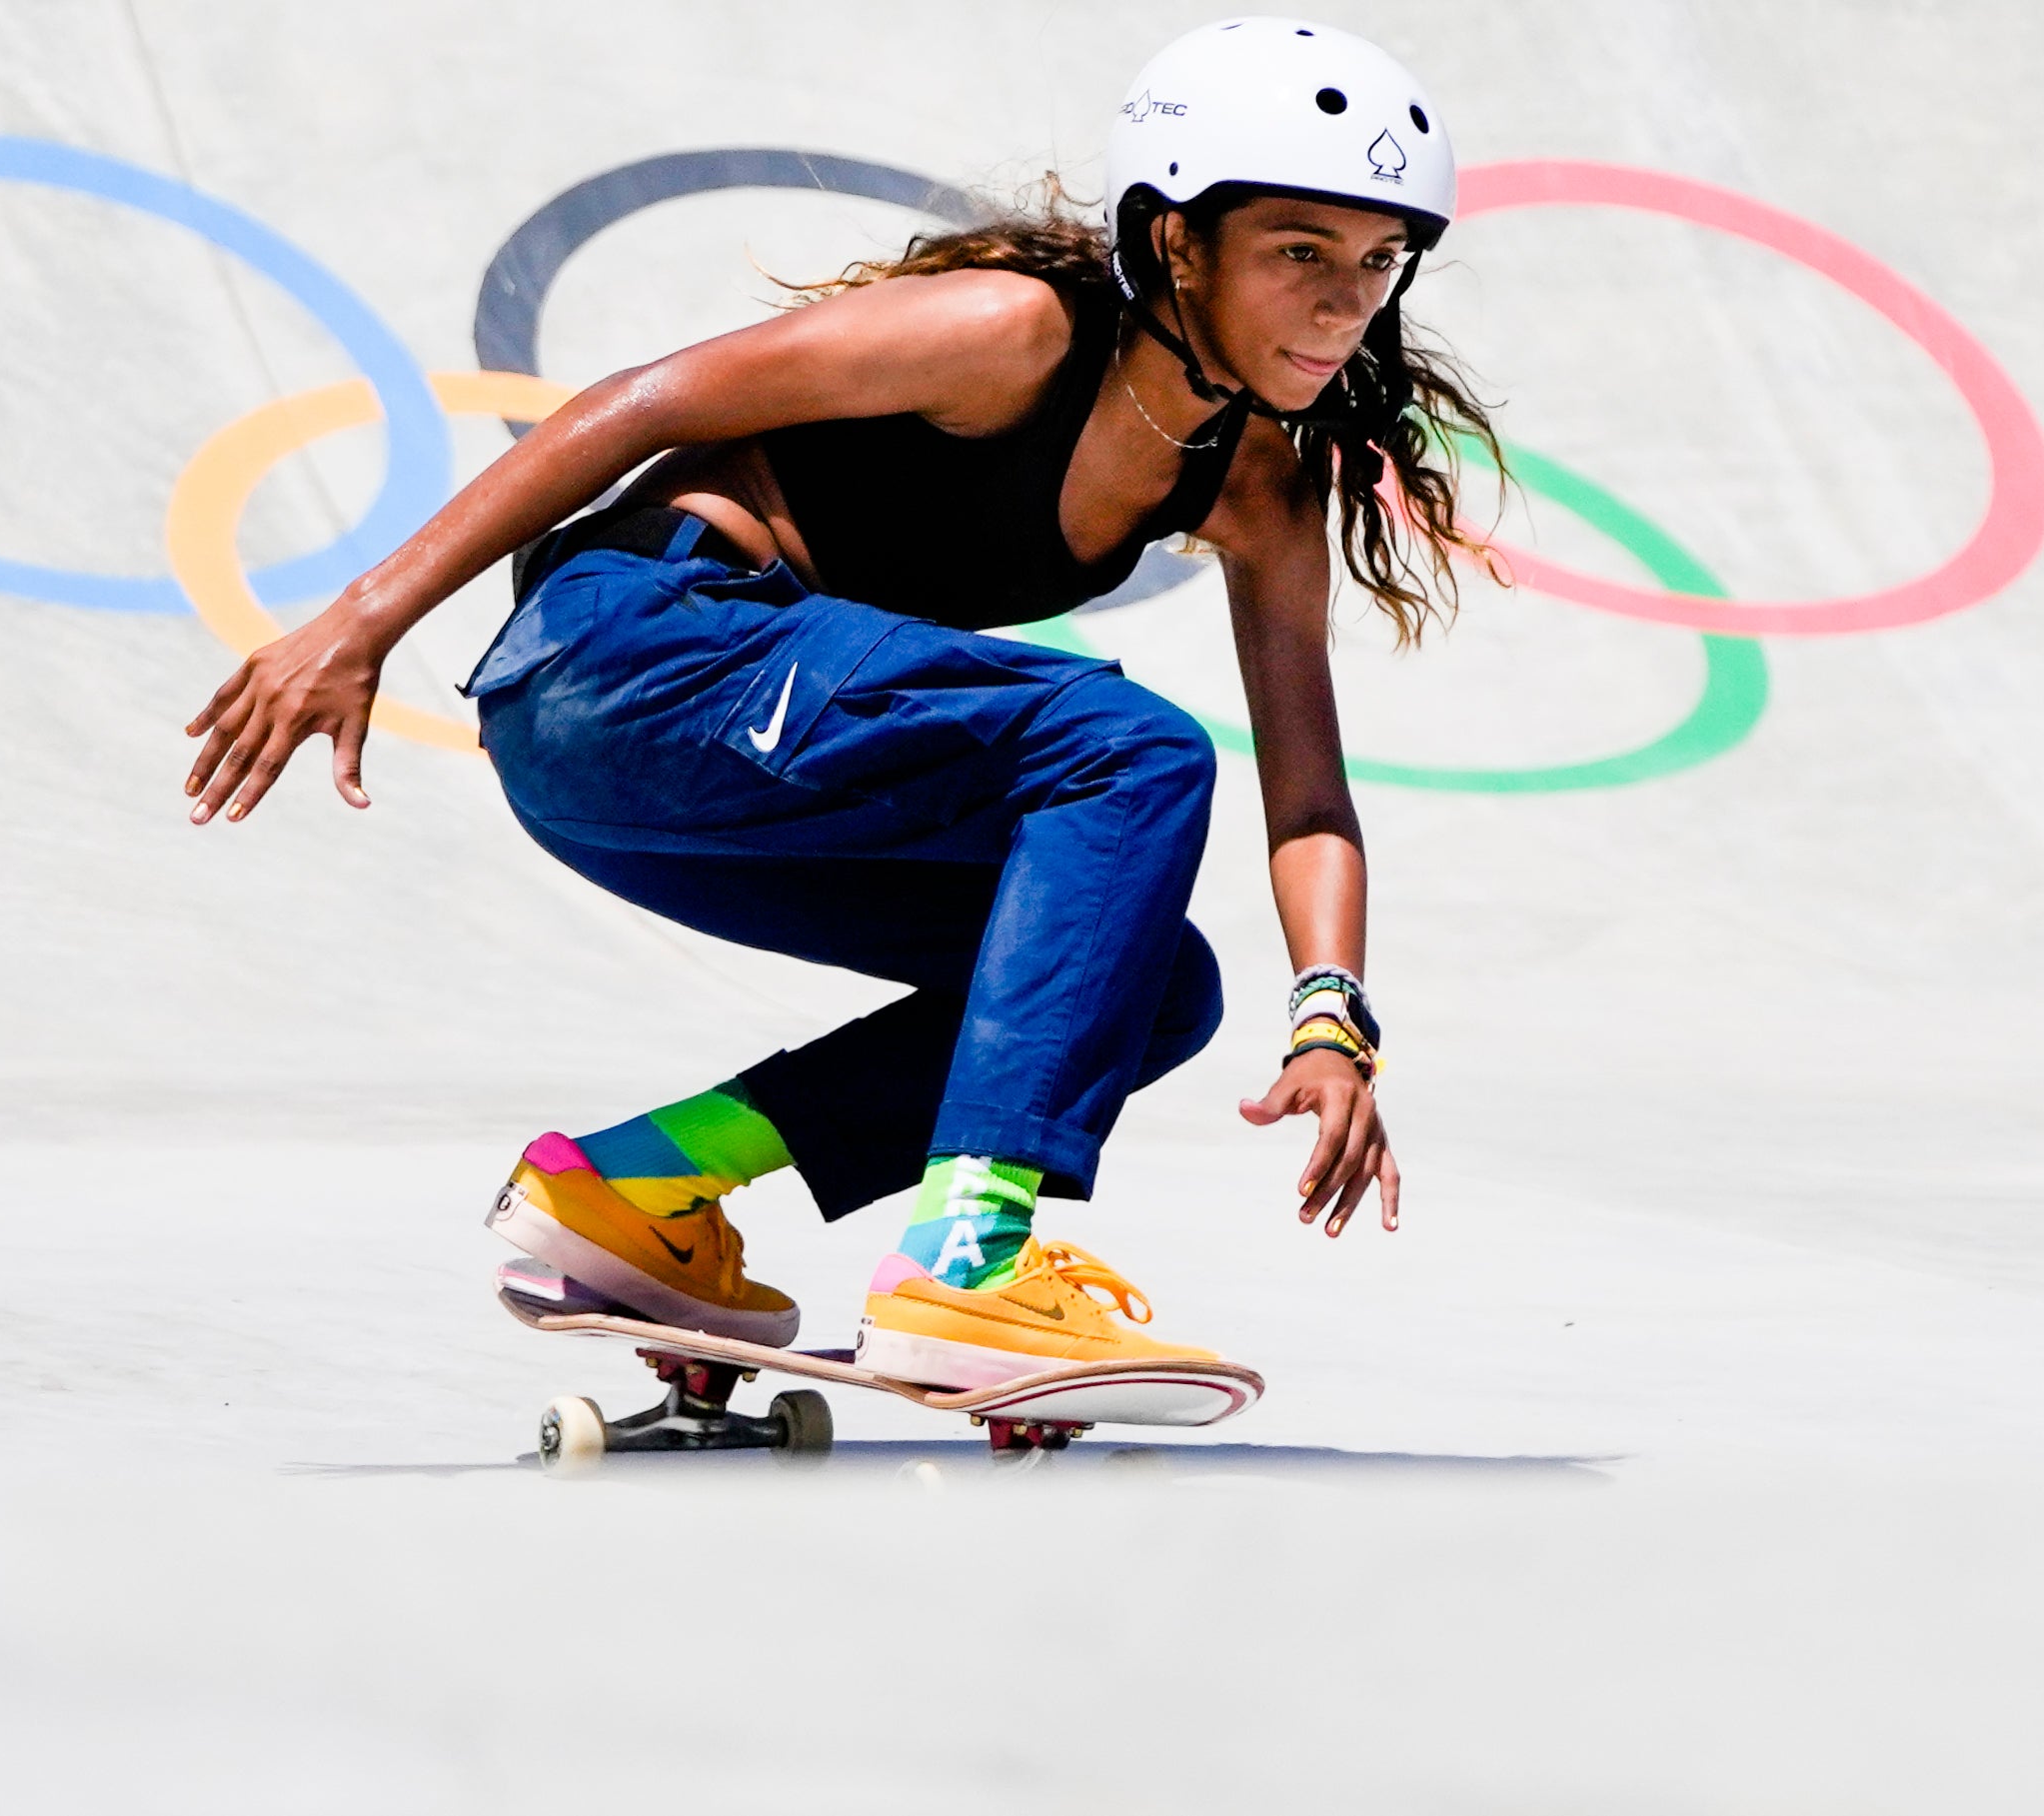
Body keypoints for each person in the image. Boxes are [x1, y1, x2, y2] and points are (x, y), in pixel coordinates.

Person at [182, 17, 1505, 1388]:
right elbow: (635, 404)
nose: (1344, 302)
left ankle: (629, 1184)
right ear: (1177, 239)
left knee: (1153, 987)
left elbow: (1308, 793)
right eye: (1298, 251)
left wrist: (1330, 1018)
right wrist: (359, 620)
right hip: (638, 651)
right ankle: (966, 1260)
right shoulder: (1011, 333)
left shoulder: (1252, 485)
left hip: (683, 776)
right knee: (1131, 750)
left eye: (1374, 261)